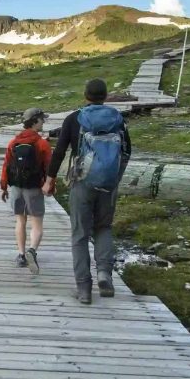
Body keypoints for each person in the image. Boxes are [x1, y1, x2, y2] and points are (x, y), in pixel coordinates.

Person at [42, 79, 131, 304]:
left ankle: (84, 288)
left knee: (79, 235)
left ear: (85, 95)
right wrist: (115, 178)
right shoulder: (117, 119)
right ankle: (104, 274)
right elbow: (127, 151)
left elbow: (60, 152)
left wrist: (49, 180)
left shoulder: (74, 119)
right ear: (106, 96)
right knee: (103, 227)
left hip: (82, 182)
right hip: (109, 184)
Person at [0, 108, 52, 274]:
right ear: (35, 121)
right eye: (42, 120)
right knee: (36, 223)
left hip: (16, 187)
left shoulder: (13, 142)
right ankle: (32, 251)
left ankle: (21, 255)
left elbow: (6, 165)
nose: (43, 122)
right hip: (34, 188)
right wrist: (51, 186)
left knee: (20, 221)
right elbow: (49, 168)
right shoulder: (42, 143)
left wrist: (4, 187)